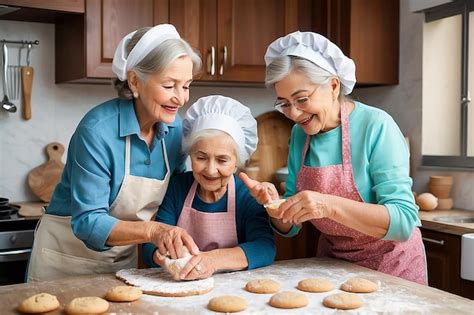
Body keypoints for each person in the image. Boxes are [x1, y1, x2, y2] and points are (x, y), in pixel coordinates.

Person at [239, 31, 427, 284]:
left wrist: (327, 205)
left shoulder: (377, 126)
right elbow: (291, 227)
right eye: (284, 103)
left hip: (392, 267)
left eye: (302, 99)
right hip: (333, 266)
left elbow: (403, 221)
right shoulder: (299, 134)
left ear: (333, 85)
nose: (294, 114)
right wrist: (275, 206)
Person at [27, 24, 203, 282]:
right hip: (64, 260)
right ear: (134, 81)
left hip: (121, 261)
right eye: (169, 85)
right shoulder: (97, 131)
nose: (181, 98)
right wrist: (153, 231)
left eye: (186, 86)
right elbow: (87, 221)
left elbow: (175, 195)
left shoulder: (176, 129)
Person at [143, 95, 276, 280]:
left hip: (233, 288)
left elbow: (264, 247)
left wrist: (212, 261)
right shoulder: (177, 187)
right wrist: (162, 254)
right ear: (190, 155)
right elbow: (151, 243)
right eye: (201, 158)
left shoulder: (245, 195)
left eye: (222, 160)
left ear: (237, 162)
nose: (211, 170)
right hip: (180, 283)